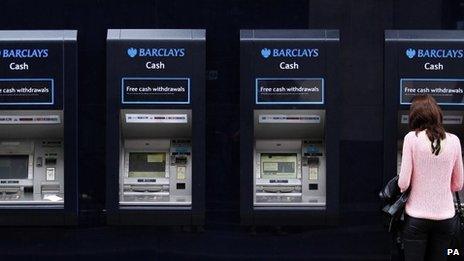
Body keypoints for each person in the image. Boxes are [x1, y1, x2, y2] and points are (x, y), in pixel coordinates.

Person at [398, 94, 463, 261]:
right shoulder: (454, 140)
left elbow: (403, 182)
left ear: (415, 115)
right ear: (437, 113)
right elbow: (458, 184)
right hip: (446, 219)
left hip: (417, 218)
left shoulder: (411, 138)